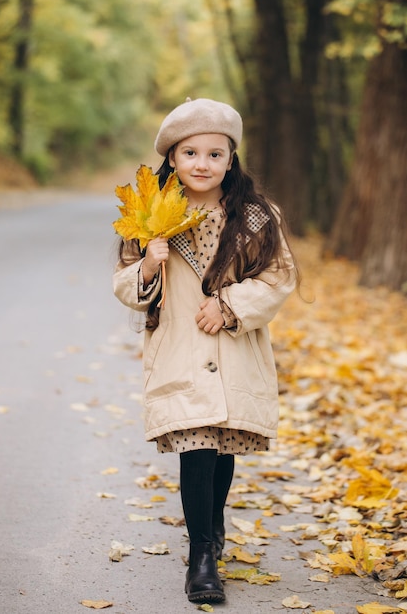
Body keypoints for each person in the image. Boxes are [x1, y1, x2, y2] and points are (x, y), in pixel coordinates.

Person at [113, 97, 297, 604]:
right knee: (195, 449)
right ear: (172, 158)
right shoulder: (148, 216)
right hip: (179, 349)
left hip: (234, 347)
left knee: (221, 449)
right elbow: (125, 284)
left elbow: (280, 277)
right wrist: (149, 265)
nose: (202, 163)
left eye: (215, 154)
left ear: (230, 160)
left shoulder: (256, 216)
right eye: (190, 152)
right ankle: (202, 560)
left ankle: (213, 524)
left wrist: (230, 305)